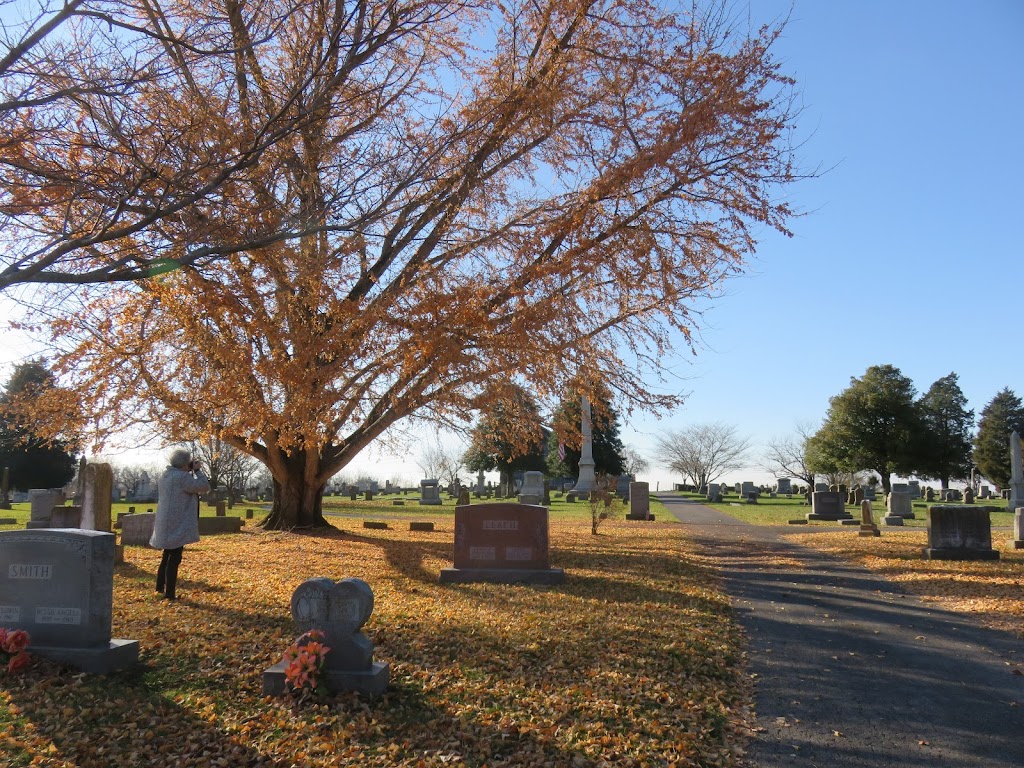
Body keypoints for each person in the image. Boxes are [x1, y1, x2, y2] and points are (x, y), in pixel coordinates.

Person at [151, 449, 210, 600]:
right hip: (177, 522)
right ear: (185, 463)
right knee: (175, 557)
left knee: (167, 554)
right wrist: (197, 471)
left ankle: (159, 587)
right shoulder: (181, 478)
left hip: (166, 520)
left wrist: (189, 469)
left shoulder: (166, 476)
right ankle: (169, 593)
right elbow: (204, 487)